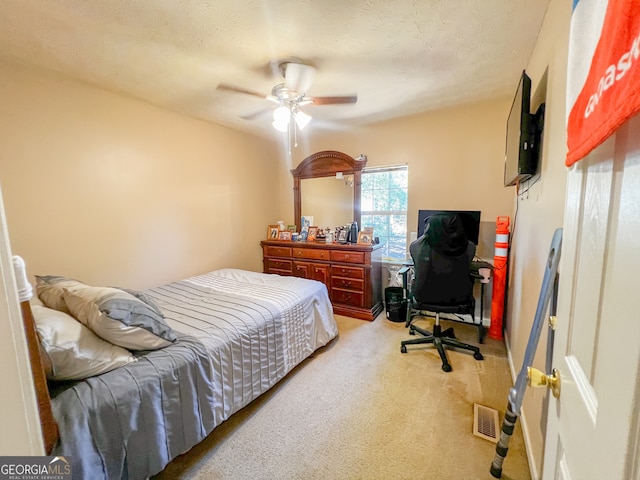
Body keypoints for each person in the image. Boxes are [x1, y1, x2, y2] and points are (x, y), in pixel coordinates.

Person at [409, 212, 475, 305]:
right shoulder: (470, 247)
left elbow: (416, 245)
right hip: (459, 299)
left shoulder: (418, 247)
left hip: (424, 297)